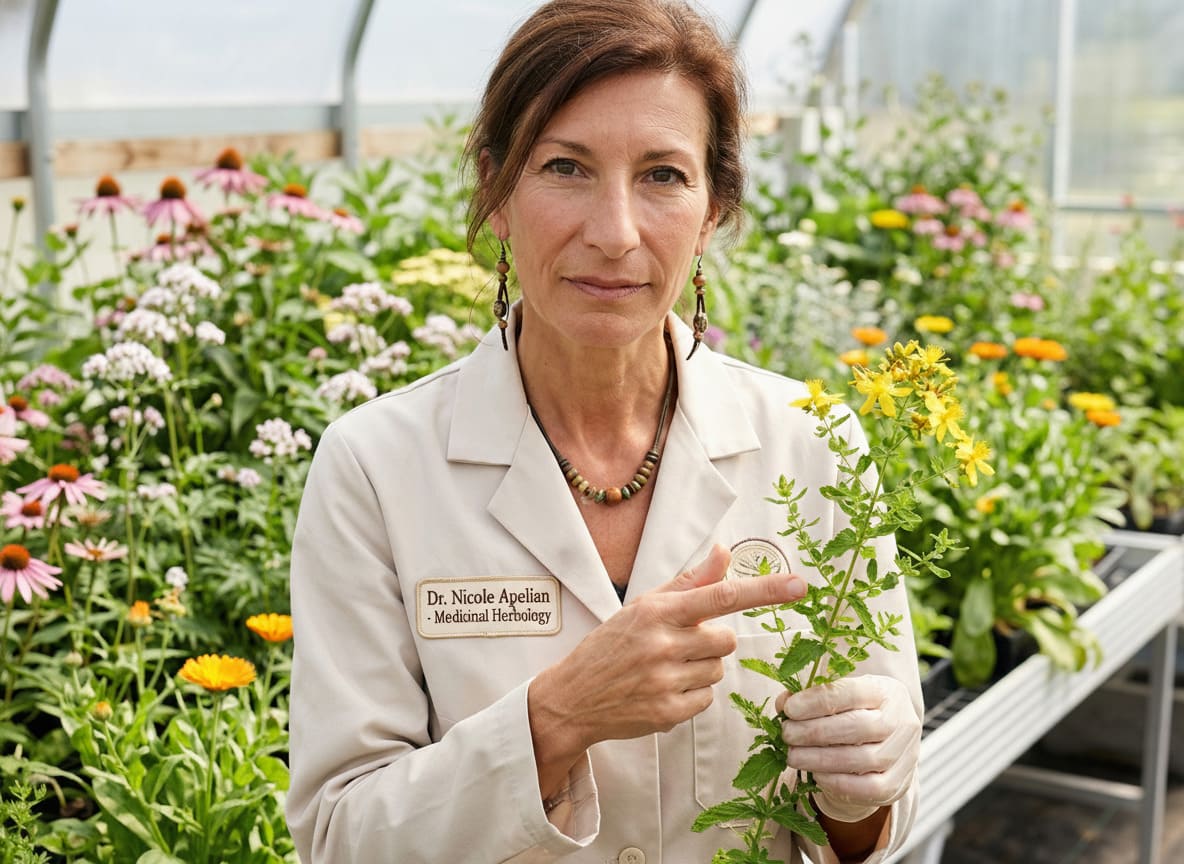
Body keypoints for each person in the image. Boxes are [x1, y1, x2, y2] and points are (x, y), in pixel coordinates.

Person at [285, 1, 922, 862]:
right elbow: (338, 838)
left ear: (712, 211)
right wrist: (557, 720)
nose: (614, 233)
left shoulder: (815, 443)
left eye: (663, 175)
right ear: (496, 190)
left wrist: (864, 794)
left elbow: (869, 830)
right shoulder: (375, 467)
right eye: (565, 167)